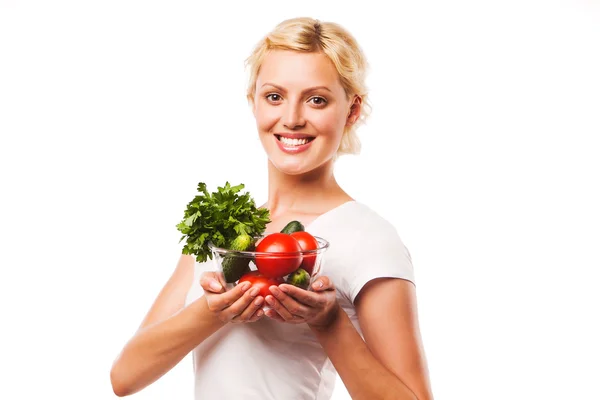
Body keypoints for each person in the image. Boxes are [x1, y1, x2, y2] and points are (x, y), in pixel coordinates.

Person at [110, 17, 434, 400]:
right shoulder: (221, 230)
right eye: (274, 96)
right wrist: (213, 312)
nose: (292, 118)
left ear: (351, 110)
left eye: (317, 99)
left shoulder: (369, 238)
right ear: (254, 102)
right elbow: (125, 377)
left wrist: (328, 321)